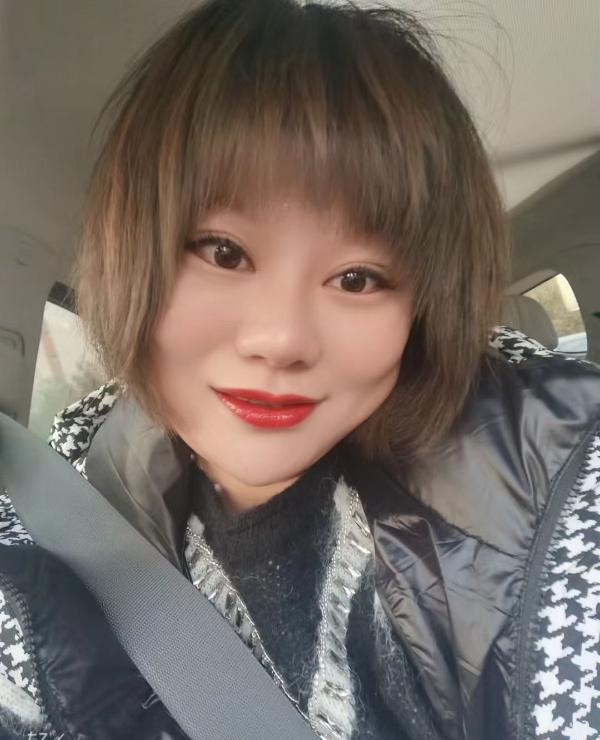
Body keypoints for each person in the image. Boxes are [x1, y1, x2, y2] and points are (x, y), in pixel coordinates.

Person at [0, 1, 599, 738]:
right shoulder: (58, 508)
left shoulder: (549, 491)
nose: (281, 339)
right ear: (131, 254)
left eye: (358, 279)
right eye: (223, 252)